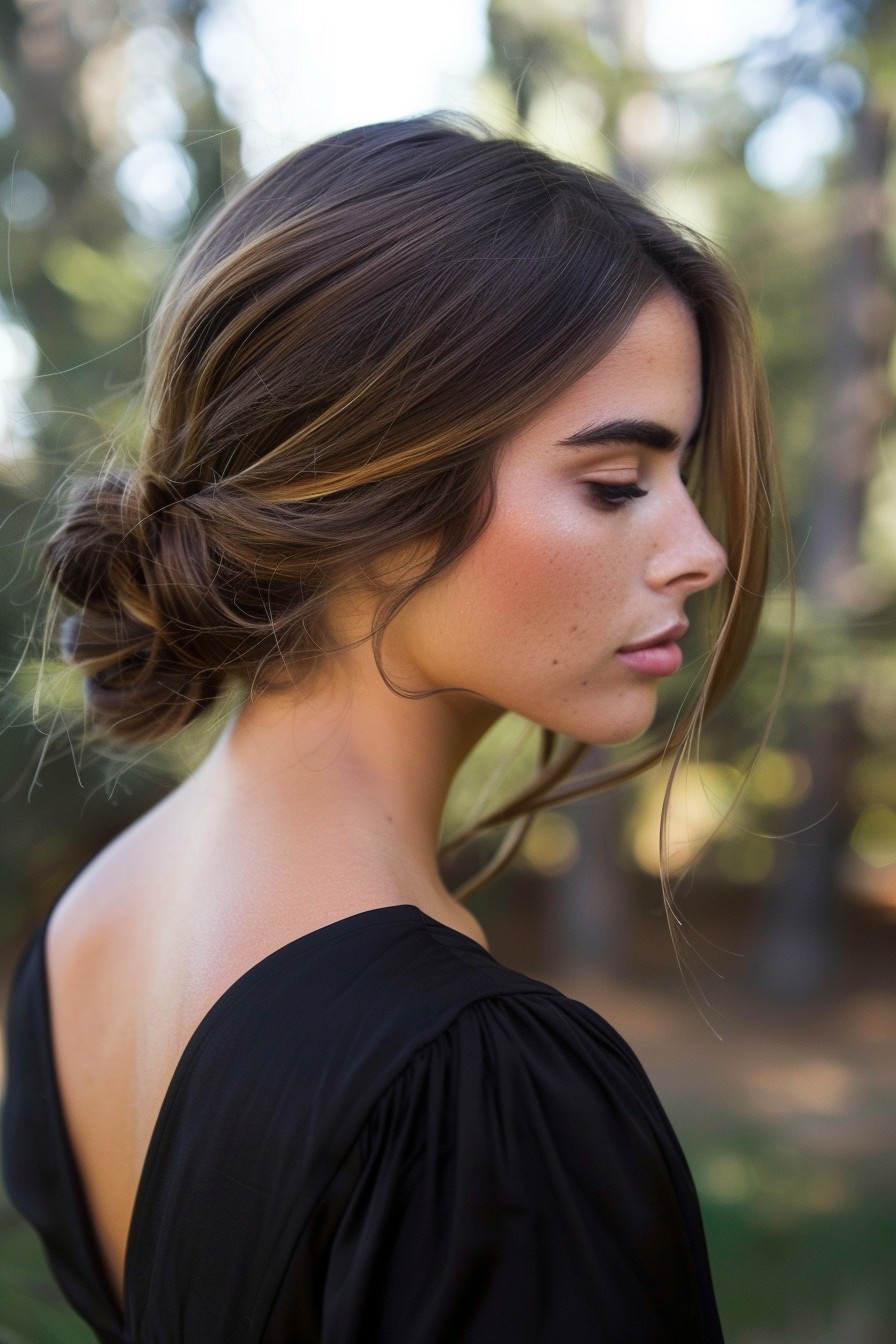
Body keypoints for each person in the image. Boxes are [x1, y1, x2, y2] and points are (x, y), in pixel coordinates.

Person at [2, 115, 780, 1342]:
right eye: (615, 484)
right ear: (365, 489)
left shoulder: (84, 932)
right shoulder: (473, 1083)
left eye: (680, 479)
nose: (699, 552)